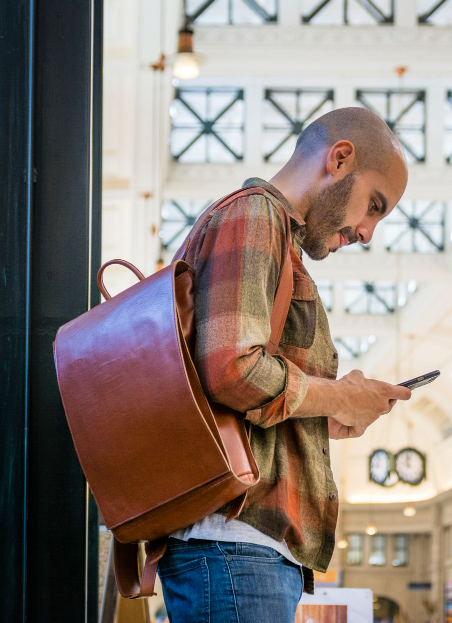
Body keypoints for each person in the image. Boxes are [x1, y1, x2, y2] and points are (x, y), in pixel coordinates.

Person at [157, 107, 412, 623]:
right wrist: (339, 393)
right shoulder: (255, 216)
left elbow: (241, 381)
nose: (367, 232)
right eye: (374, 206)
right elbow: (232, 369)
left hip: (244, 550)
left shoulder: (273, 235)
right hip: (235, 545)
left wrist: (325, 415)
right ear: (340, 159)